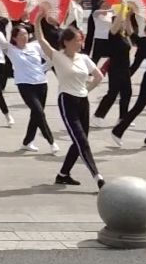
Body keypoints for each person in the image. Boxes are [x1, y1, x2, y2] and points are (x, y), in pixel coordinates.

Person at [38, 24, 103, 187]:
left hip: (83, 100)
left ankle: (63, 174)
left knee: (80, 140)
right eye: (76, 41)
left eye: (80, 41)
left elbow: (99, 76)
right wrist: (39, 19)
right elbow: (41, 39)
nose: (79, 44)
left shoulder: (84, 58)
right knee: (81, 141)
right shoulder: (57, 56)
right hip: (67, 100)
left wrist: (86, 90)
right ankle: (98, 177)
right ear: (66, 42)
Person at [0, 20, 56, 153]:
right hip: (24, 84)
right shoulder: (10, 49)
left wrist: (42, 69)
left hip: (41, 83)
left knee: (36, 115)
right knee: (39, 113)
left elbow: (50, 58)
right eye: (21, 35)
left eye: (26, 34)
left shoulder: (35, 46)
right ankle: (51, 142)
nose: (24, 37)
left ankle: (27, 142)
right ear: (14, 37)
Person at [91, 9, 134, 124]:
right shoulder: (112, 34)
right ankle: (97, 116)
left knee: (127, 92)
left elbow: (131, 32)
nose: (123, 24)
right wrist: (123, 6)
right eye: (121, 22)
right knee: (113, 93)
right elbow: (116, 23)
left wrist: (129, 15)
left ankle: (122, 118)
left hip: (125, 68)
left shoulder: (124, 36)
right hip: (115, 68)